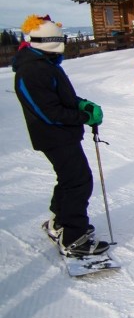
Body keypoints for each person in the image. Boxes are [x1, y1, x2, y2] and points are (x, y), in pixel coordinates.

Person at [12, 14, 109, 257]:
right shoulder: (32, 70)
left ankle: (60, 223)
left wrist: (81, 104)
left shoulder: (44, 63)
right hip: (54, 136)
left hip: (60, 134)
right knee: (79, 181)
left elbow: (59, 98)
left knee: (69, 179)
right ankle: (74, 238)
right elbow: (49, 112)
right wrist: (83, 117)